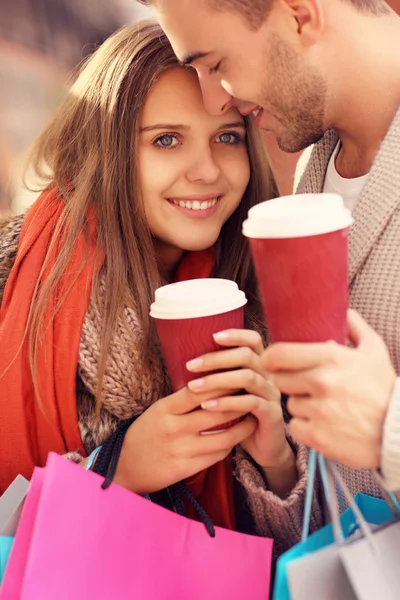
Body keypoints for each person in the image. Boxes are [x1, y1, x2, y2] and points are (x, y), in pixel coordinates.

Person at [0, 20, 309, 557]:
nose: (207, 170)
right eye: (166, 140)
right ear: (108, 150)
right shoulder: (13, 282)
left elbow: (295, 560)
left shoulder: (261, 297)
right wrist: (116, 472)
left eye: (227, 137)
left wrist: (276, 459)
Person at [141, 0, 400, 509]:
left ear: (300, 14)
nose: (215, 101)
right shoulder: (313, 169)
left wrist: (388, 425)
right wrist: (279, 459)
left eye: (215, 65)